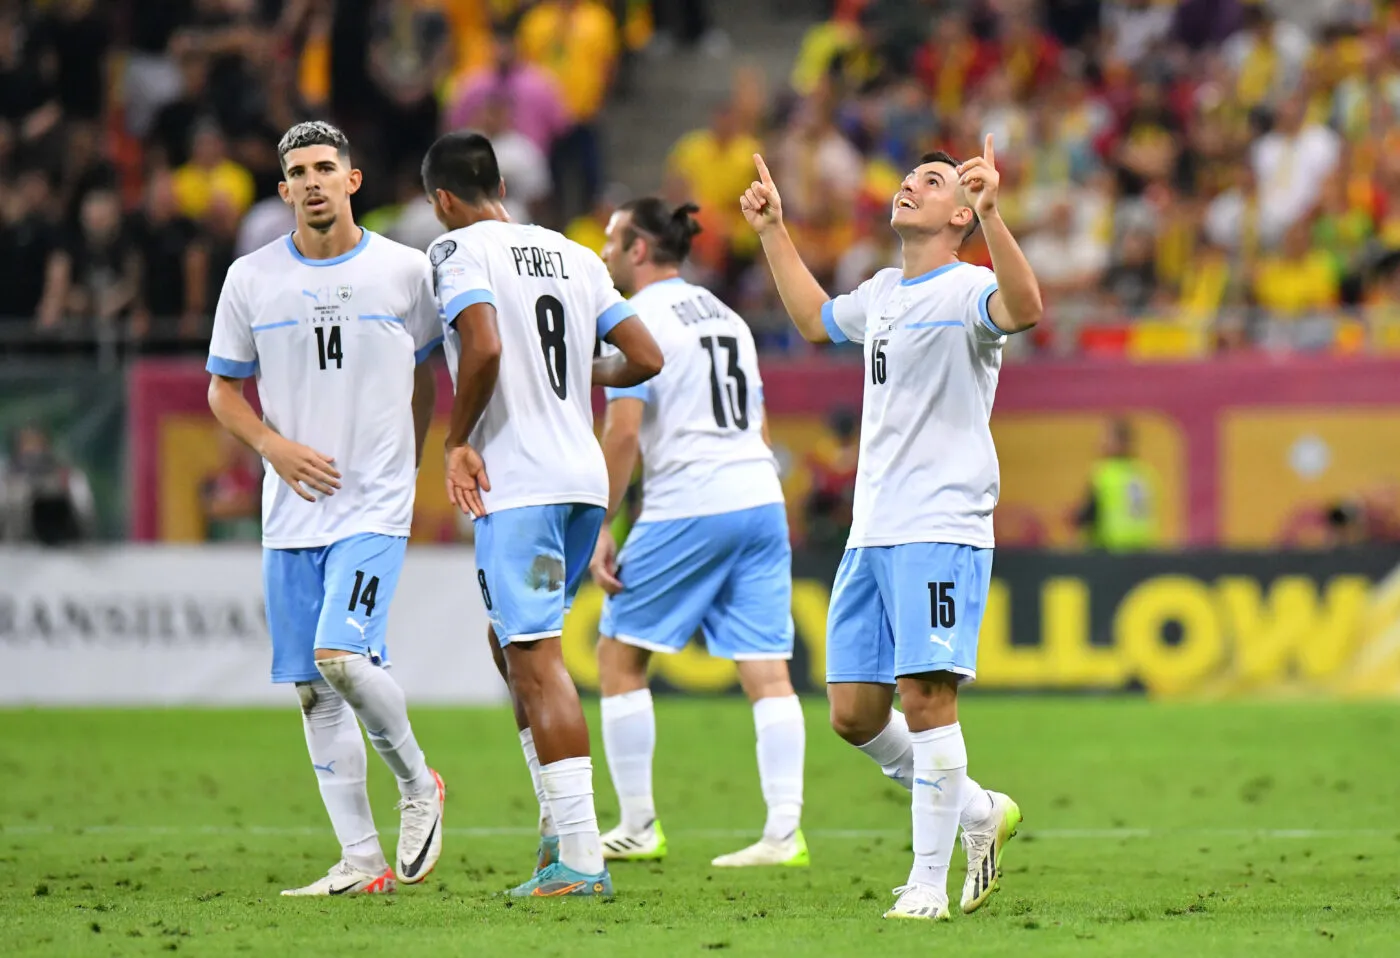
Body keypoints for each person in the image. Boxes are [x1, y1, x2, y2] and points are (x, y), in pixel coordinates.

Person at [740, 136, 1040, 921]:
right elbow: (812, 318)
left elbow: (1028, 308)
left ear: (960, 214)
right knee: (854, 714)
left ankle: (925, 885)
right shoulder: (880, 293)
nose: (911, 185)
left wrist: (998, 216)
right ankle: (978, 810)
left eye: (932, 181)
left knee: (924, 698)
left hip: (942, 522)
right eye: (910, 176)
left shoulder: (970, 287)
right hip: (872, 529)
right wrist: (774, 229)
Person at [205, 121, 446, 897]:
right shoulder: (250, 279)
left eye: (324, 168)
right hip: (291, 511)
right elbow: (223, 390)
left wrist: (407, 461)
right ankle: (361, 859)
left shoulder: (406, 272)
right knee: (313, 688)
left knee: (343, 658)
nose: (311, 181)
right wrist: (273, 449)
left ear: (352, 180)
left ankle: (419, 784)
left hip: (373, 503)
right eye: (297, 172)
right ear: (283, 192)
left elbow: (425, 375)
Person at [420, 131, 663, 897]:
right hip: (581, 480)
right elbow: (647, 358)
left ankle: (581, 858)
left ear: (443, 201)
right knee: (513, 644)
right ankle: (561, 827)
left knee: (535, 657)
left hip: (519, 480)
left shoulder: (456, 252)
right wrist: (579, 372)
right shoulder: (574, 253)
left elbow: (484, 348)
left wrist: (457, 441)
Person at [590, 198, 807, 868]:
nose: (601, 251)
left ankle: (638, 823)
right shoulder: (728, 317)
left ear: (637, 250)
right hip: (758, 494)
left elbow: (623, 431)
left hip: (692, 499)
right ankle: (784, 832)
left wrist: (601, 523)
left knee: (618, 656)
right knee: (768, 673)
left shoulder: (633, 322)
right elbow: (761, 428)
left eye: (610, 239)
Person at [1073, 418, 1161, 552]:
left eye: (1106, 438)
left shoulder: (1104, 474)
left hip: (1111, 548)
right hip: (1142, 548)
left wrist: (1075, 518)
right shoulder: (1144, 473)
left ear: (1121, 443)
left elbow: (1090, 513)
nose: (1100, 443)